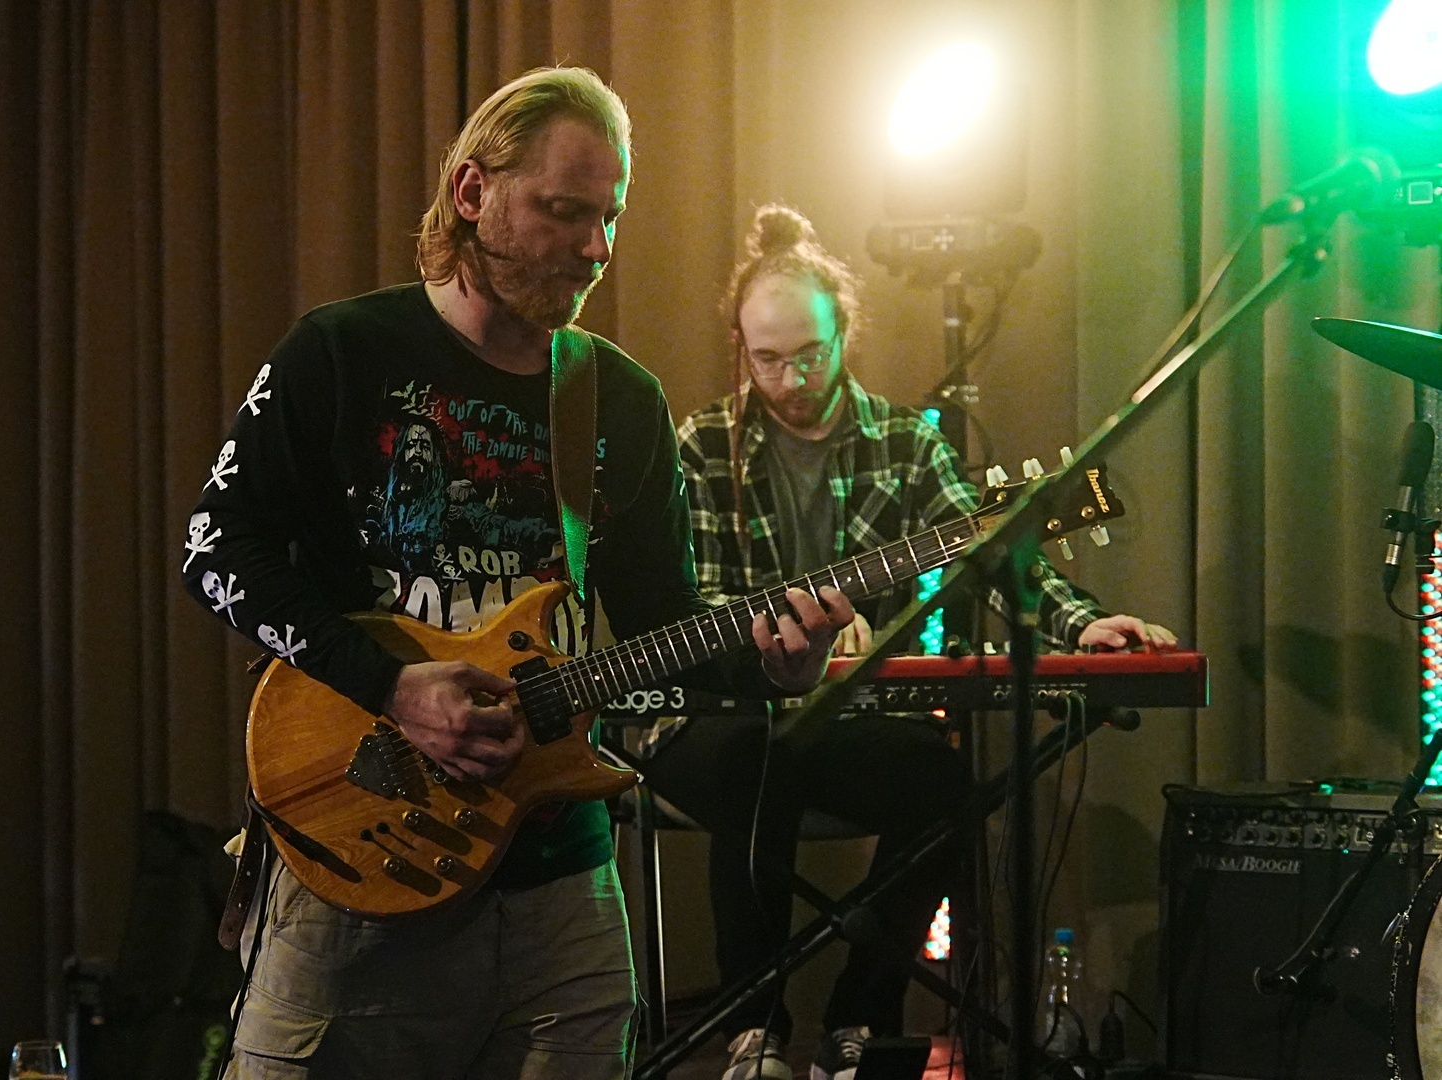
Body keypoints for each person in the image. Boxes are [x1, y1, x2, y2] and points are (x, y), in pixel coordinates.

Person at [180, 71, 855, 1080]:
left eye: (610, 217)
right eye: (565, 211)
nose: (597, 247)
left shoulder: (620, 400)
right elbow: (213, 550)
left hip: (560, 886)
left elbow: (662, 620)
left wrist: (771, 668)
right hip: (359, 855)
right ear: (472, 193)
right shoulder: (342, 353)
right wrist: (392, 686)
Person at [641, 205, 1176, 1080]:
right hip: (724, 717)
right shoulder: (700, 445)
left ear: (843, 332)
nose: (790, 378)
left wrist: (1082, 624)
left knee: (941, 781)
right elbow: (688, 603)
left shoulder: (907, 443)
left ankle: (861, 1018)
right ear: (741, 346)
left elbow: (993, 550)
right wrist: (785, 640)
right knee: (750, 757)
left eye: (809, 354)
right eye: (767, 359)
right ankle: (754, 1028)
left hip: (844, 717)